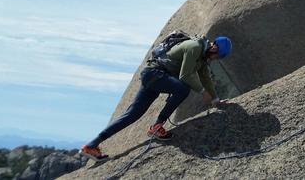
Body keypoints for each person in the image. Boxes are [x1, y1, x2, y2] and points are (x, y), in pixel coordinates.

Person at [80, 35, 232, 160]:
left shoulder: (202, 58)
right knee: (183, 89)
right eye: (217, 56)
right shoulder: (195, 47)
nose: (215, 59)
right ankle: (157, 126)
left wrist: (216, 100)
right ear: (214, 47)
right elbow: (185, 75)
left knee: (132, 114)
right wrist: (202, 92)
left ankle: (91, 145)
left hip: (154, 76)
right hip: (155, 74)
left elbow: (206, 78)